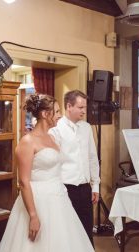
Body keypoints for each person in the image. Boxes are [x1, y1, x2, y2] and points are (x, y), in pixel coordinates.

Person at [0, 94, 94, 252]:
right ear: (45, 114)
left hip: (59, 199)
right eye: (56, 112)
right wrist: (33, 215)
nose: (60, 115)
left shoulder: (51, 137)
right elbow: (23, 182)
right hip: (38, 200)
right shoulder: (27, 141)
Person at [49, 90, 100, 246]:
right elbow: (53, 163)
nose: (84, 111)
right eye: (80, 107)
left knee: (86, 232)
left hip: (85, 189)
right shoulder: (55, 129)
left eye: (85, 107)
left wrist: (95, 185)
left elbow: (92, 157)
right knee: (67, 234)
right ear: (69, 106)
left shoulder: (86, 127)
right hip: (65, 189)